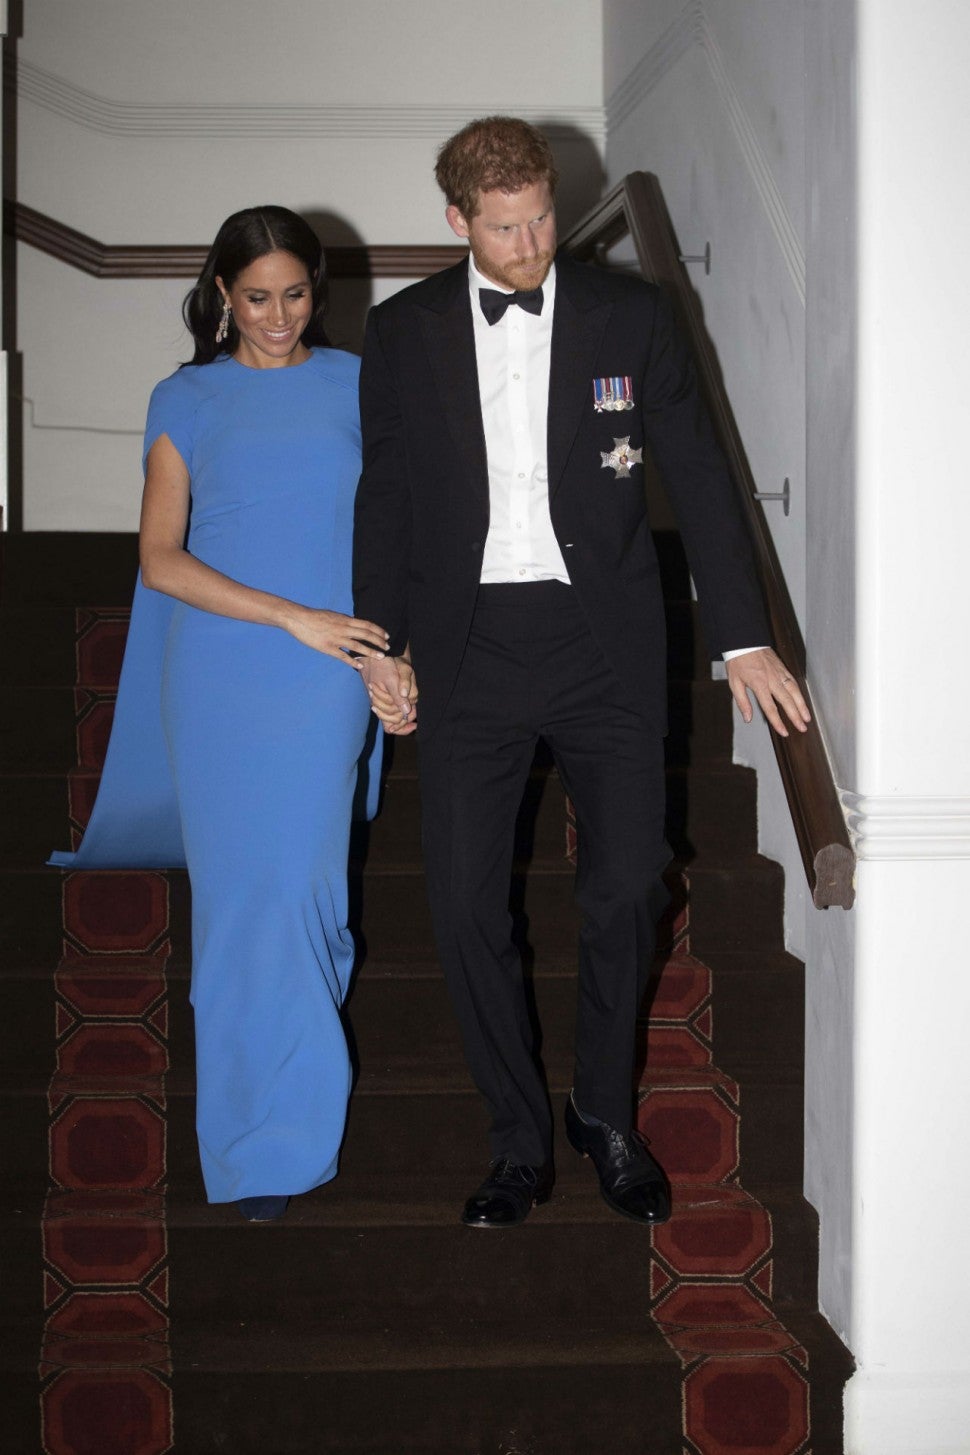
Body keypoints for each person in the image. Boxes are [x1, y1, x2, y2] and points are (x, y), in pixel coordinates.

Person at [353, 117, 809, 1230]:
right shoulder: (403, 330)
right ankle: (516, 1140)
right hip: (467, 646)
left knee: (631, 880)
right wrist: (382, 642)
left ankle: (602, 1112)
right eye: (504, 228)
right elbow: (388, 493)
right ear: (457, 221)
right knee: (463, 902)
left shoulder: (632, 313)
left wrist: (741, 633)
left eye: (543, 219)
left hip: (601, 641)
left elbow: (698, 472)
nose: (531, 245)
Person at [50, 206, 389, 1223]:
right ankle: (259, 1143)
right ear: (221, 297)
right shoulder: (186, 396)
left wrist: (387, 651)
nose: (277, 316)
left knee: (307, 895)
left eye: (295, 294)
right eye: (256, 298)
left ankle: (291, 1081)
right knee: (248, 903)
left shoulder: (361, 383)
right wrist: (292, 616)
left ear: (317, 291)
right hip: (224, 674)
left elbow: (400, 530)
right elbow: (160, 558)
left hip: (326, 676)